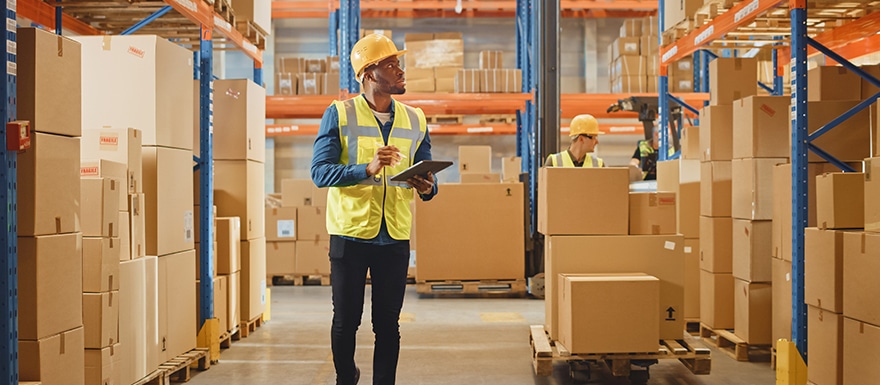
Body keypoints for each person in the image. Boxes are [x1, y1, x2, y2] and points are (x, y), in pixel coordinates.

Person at [310, 33, 438, 385]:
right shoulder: (339, 113)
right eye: (391, 65)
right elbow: (319, 173)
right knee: (346, 320)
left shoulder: (416, 119)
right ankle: (345, 378)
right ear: (368, 73)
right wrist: (365, 169)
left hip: (394, 236)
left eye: (399, 64)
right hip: (350, 234)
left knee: (387, 324)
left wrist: (428, 187)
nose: (400, 71)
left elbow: (425, 169)